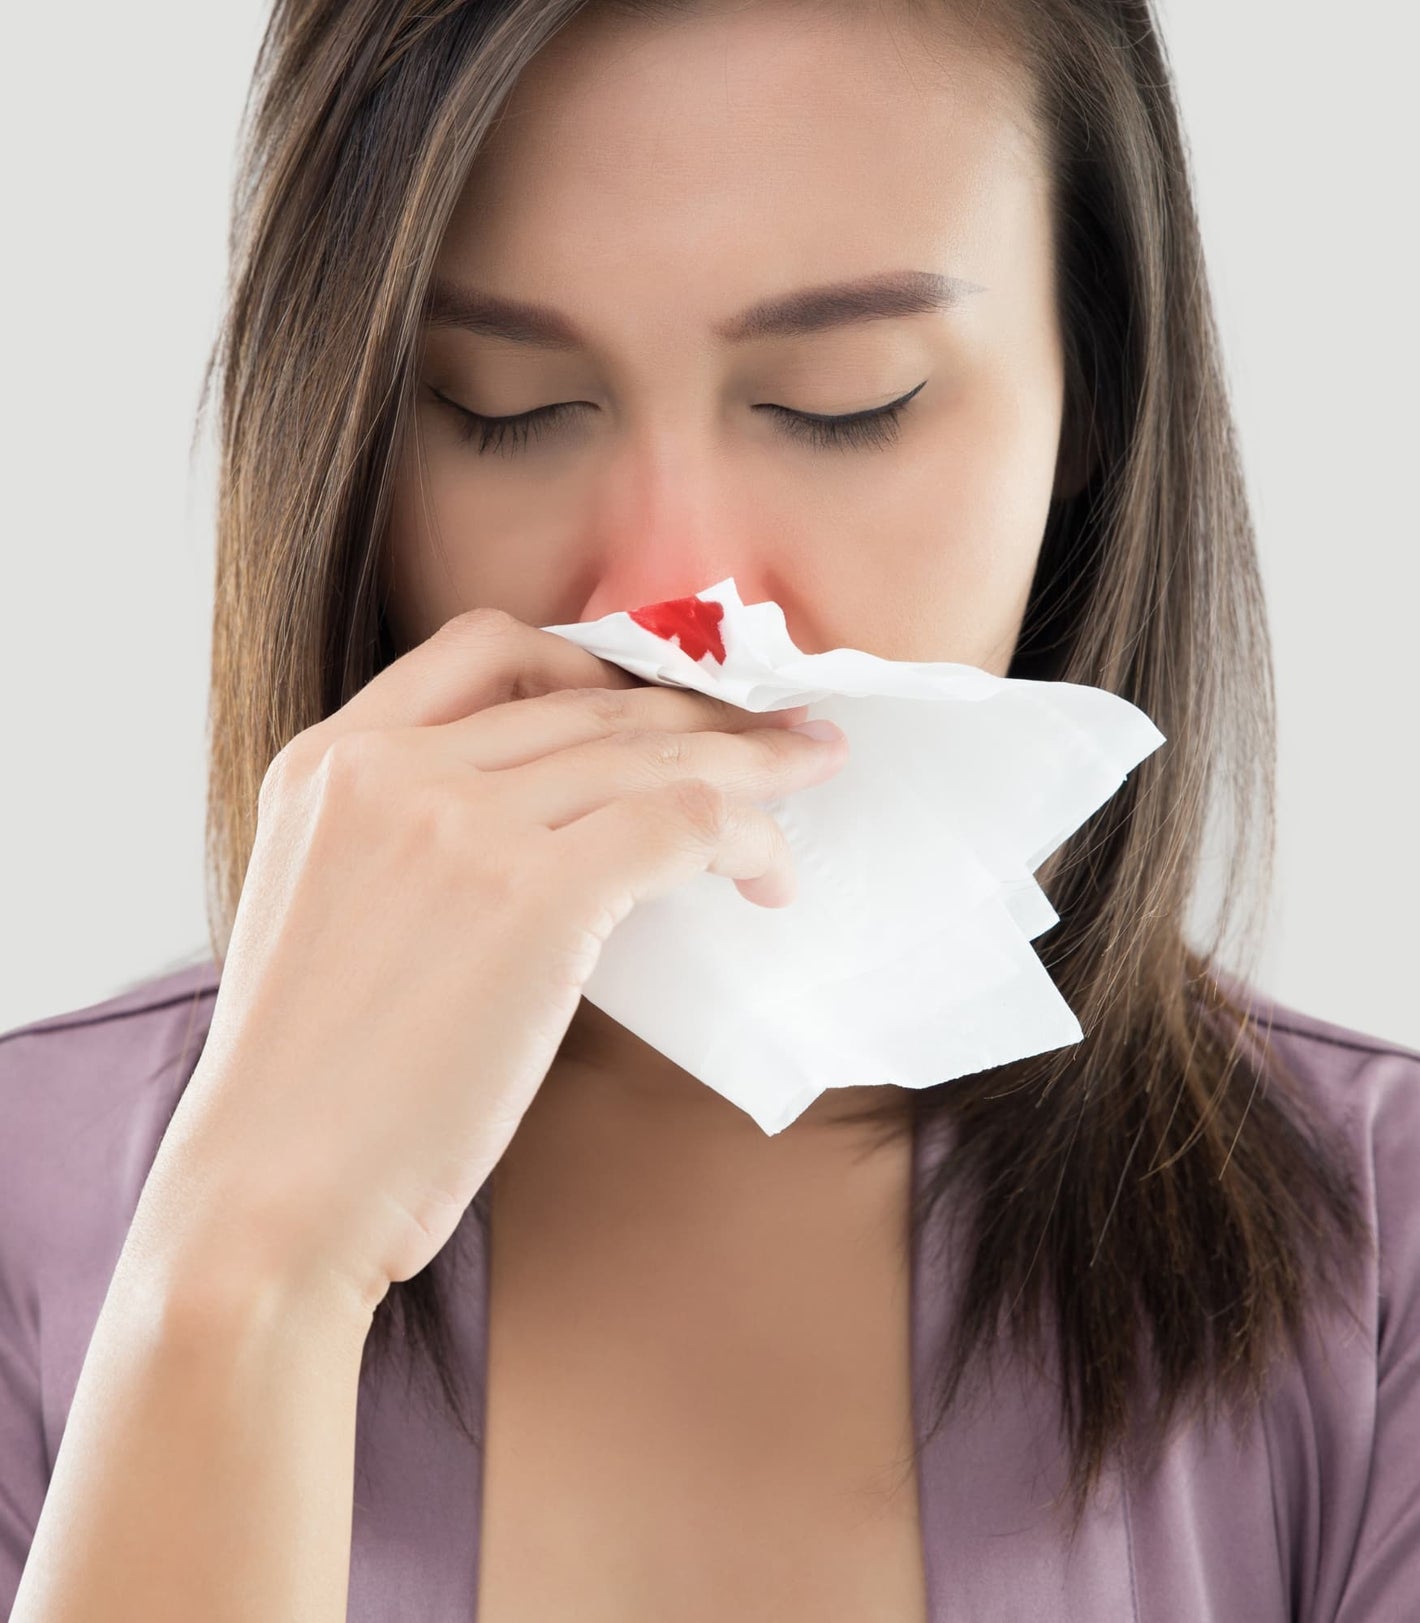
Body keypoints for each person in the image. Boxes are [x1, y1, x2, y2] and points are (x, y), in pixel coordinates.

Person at [3, 0, 1418, 1617]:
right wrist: (245, 1272)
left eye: (843, 401)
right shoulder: (29, 1208)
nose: (682, 600)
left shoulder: (1381, 1255)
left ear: (1092, 395)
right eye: (505, 407)